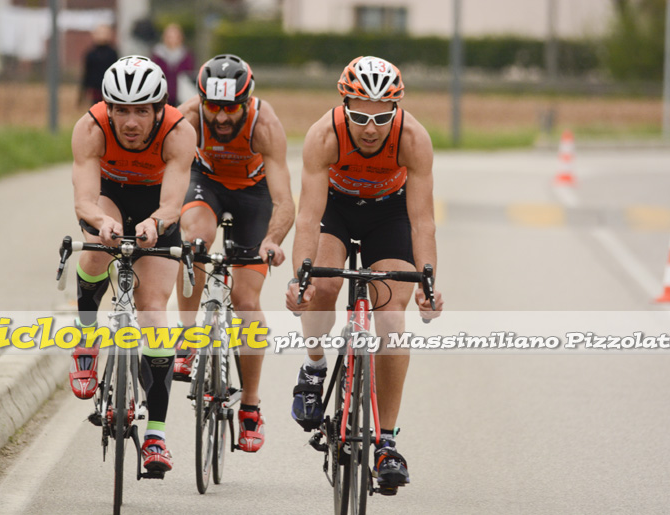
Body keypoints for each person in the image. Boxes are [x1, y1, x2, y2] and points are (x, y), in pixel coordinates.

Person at [285, 56, 444, 492]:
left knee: (392, 319)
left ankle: (387, 442)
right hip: (335, 209)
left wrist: (428, 283)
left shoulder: (413, 138)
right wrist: (301, 276)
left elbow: (422, 222)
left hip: (388, 215)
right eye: (359, 115)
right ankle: (314, 369)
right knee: (324, 283)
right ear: (344, 105)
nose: (370, 127)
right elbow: (308, 216)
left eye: (382, 115)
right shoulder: (323, 136)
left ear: (397, 109)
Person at [68, 55, 196, 475]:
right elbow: (84, 199)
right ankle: (86, 339)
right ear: (108, 107)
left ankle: (156, 434)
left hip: (156, 209)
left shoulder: (180, 132)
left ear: (159, 108)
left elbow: (173, 204)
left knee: (154, 312)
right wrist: (102, 221)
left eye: (141, 110)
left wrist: (156, 223)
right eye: (121, 109)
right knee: (92, 253)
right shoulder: (90, 127)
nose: (130, 121)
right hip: (109, 197)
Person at [174, 54, 295, 453]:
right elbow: (162, 176)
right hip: (204, 182)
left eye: (231, 108)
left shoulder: (265, 125)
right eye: (214, 106)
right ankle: (189, 335)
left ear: (247, 102)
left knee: (246, 300)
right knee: (194, 243)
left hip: (253, 194)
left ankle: (250, 405)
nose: (222, 118)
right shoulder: (188, 118)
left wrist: (272, 241)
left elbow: (284, 201)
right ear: (201, 100)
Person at [151, 23, 195, 106]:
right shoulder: (158, 55)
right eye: (169, 36)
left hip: (181, 98)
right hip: (161, 97)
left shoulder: (186, 56)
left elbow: (188, 75)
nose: (172, 39)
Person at [79, 24, 118, 107]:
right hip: (96, 91)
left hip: (110, 90)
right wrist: (82, 94)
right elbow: (86, 74)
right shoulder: (91, 54)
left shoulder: (112, 53)